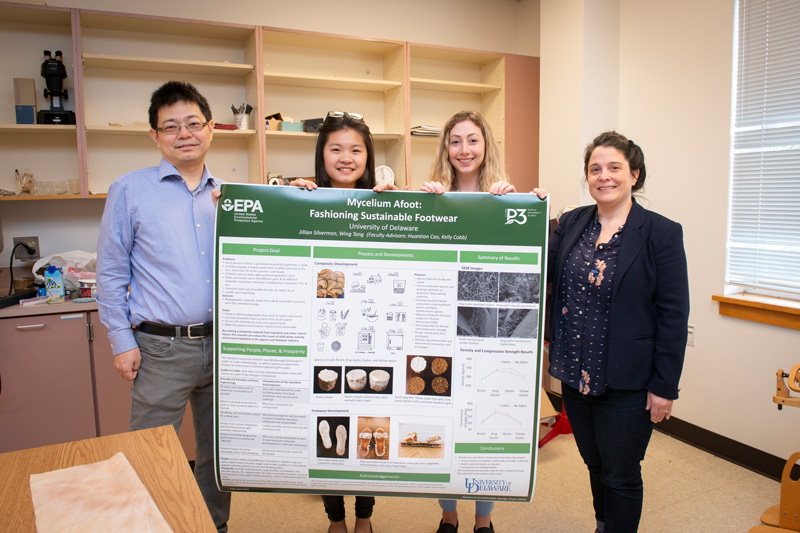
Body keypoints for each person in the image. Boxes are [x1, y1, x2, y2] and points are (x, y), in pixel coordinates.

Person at [536, 131, 689, 533]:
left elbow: (674, 315)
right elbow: (537, 268)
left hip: (629, 381)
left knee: (620, 474)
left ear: (634, 175)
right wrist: (529, 211)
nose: (604, 176)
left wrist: (665, 386)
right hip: (574, 374)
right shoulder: (571, 223)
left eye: (614, 168)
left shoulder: (661, 233)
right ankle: (604, 525)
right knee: (595, 464)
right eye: (595, 169)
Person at [96, 81, 230, 532]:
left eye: (194, 123)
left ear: (211, 129)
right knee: (150, 451)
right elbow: (112, 273)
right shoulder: (130, 191)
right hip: (159, 348)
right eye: (170, 126)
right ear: (155, 136)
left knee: (218, 455)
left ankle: (215, 525)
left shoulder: (230, 198)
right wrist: (120, 341)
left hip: (225, 346)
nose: (184, 133)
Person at [292, 111, 392, 533]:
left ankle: (365, 518)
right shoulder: (305, 198)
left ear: (368, 158)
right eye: (336, 149)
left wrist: (398, 201)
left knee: (369, 419)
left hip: (371, 333)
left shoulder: (386, 203)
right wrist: (284, 191)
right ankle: (335, 518)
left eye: (356, 150)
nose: (346, 158)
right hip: (324, 333)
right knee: (328, 423)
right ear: (322, 155)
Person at [422, 110, 514, 533]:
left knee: (486, 425)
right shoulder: (432, 196)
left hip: (487, 330)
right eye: (455, 141)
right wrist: (421, 202)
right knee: (443, 424)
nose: (464, 150)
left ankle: (483, 521)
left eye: (472, 140)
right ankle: (448, 517)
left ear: (485, 145)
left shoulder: (503, 198)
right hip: (441, 325)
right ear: (446, 148)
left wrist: (529, 202)